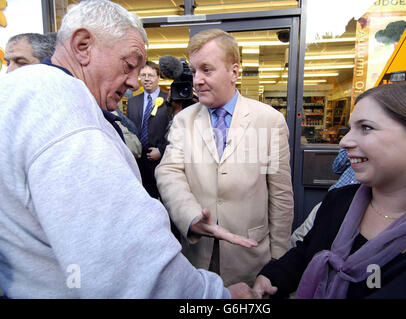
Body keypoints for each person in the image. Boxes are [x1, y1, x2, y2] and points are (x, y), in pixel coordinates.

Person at [0, 0, 253, 298]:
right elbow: (135, 272)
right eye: (129, 65)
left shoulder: (20, 92)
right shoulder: (68, 116)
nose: (134, 82)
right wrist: (216, 297)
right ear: (83, 46)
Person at [253, 80, 406, 299]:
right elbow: (306, 251)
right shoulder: (337, 201)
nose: (344, 141)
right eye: (349, 128)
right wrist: (271, 277)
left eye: (366, 128)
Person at [155, 29, 294, 286]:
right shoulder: (184, 120)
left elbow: (281, 195)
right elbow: (169, 172)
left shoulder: (269, 121)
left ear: (234, 72)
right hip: (198, 256)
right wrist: (192, 216)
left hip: (252, 260)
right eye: (194, 70)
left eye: (206, 70)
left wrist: (279, 261)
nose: (197, 80)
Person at [127, 61, 169, 199]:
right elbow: (129, 129)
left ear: (158, 77)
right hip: (139, 161)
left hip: (161, 160)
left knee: (165, 200)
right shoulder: (133, 102)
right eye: (143, 75)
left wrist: (162, 150)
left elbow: (176, 130)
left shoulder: (169, 100)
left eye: (150, 75)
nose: (146, 79)